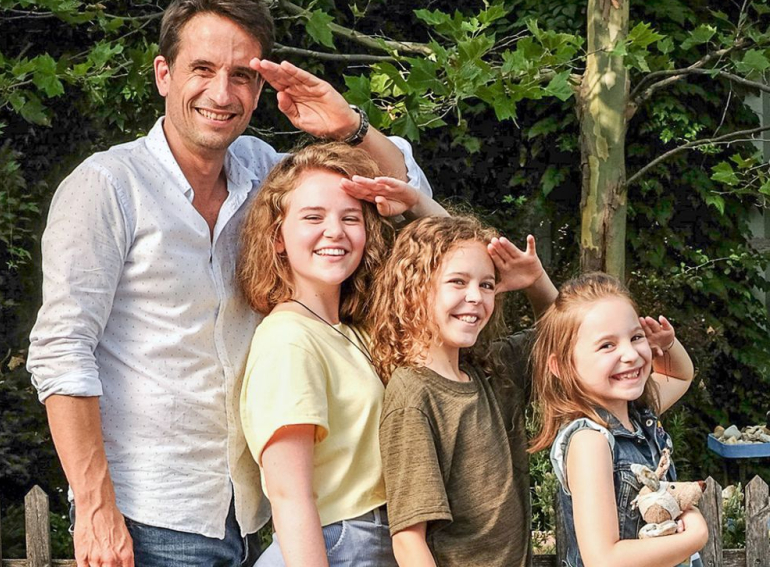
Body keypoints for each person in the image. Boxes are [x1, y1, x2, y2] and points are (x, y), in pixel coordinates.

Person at [26, 0, 431, 567]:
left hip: (247, 515)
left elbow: (400, 197)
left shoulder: (265, 174)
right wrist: (94, 509)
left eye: (241, 75)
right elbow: (62, 351)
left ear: (260, 89)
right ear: (163, 74)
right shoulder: (107, 186)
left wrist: (350, 127)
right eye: (202, 69)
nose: (221, 93)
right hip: (148, 516)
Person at [238, 142, 444, 566]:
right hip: (335, 545)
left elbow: (467, 261)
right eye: (313, 217)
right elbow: (289, 495)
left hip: (377, 540)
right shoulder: (288, 341)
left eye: (350, 218)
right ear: (277, 238)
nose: (335, 231)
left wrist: (415, 202)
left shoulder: (355, 331)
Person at [369, 215, 558, 567]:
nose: (475, 297)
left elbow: (563, 338)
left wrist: (536, 281)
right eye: (458, 281)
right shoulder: (413, 396)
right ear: (413, 288)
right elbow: (409, 541)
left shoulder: (493, 371)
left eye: (487, 285)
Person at [529, 272, 708, 567]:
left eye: (636, 337)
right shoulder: (590, 442)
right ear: (562, 366)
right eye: (607, 345)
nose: (630, 354)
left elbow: (680, 375)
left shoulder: (637, 414)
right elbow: (604, 559)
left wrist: (668, 344)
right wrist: (694, 538)